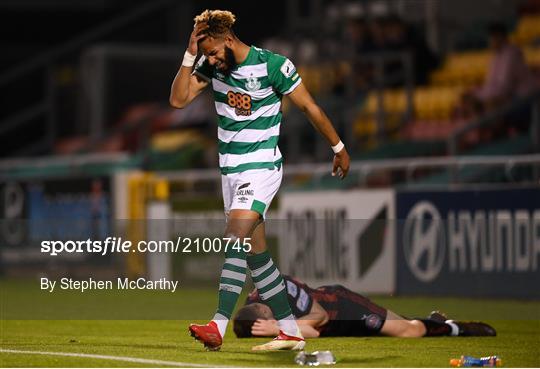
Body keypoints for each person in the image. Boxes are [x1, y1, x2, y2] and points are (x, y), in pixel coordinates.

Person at [169, 10, 350, 352]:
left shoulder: (273, 66)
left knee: (234, 238)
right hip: (230, 172)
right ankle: (291, 331)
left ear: (228, 39)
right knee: (257, 254)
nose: (210, 59)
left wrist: (338, 146)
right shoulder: (211, 65)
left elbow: (310, 107)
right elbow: (178, 100)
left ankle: (217, 325)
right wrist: (190, 54)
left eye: (212, 51)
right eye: (204, 54)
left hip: (261, 167)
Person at [233, 275, 497, 339]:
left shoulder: (283, 289)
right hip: (330, 328)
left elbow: (318, 320)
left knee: (409, 331)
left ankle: (454, 328)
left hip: (341, 309)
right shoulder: (254, 307)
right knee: (398, 324)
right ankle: (434, 320)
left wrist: (279, 327)